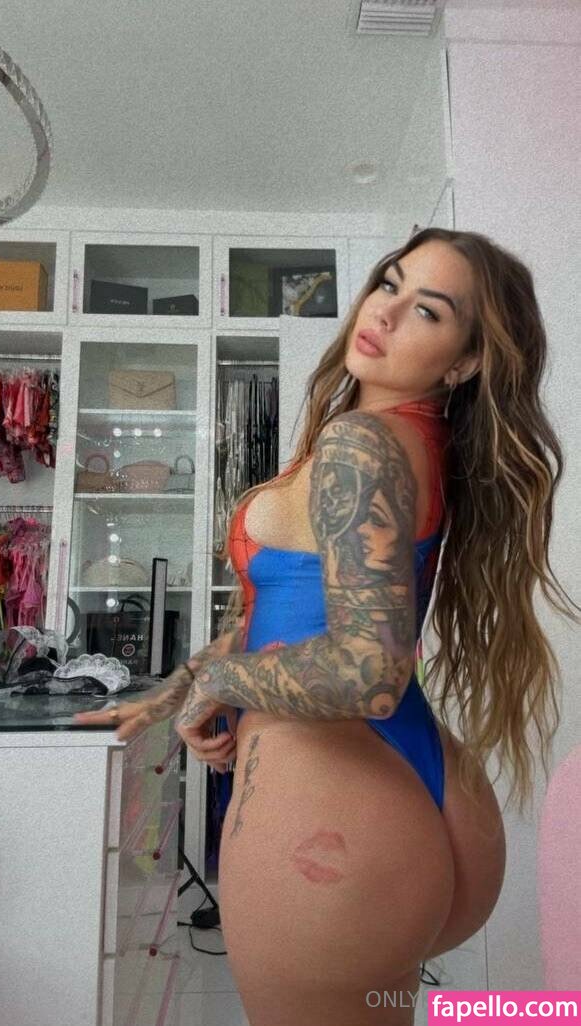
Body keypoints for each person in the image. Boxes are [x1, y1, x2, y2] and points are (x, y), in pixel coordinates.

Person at [75, 227, 580, 1026]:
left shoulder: (360, 443)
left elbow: (365, 672)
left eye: (428, 311)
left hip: (335, 813)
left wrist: (220, 681)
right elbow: (285, 609)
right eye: (390, 282)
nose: (384, 311)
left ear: (463, 362)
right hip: (406, 789)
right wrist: (175, 690)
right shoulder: (410, 438)